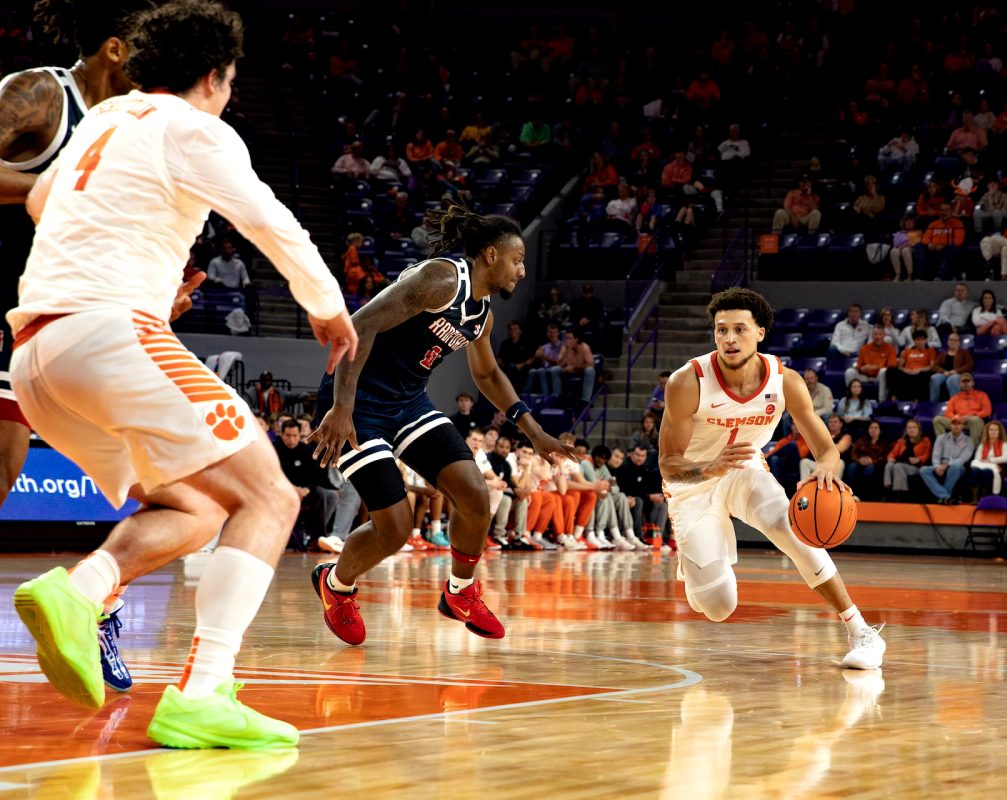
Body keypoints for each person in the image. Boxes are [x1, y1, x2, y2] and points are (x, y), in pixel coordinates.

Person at [8, 0, 357, 749]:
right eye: (229, 82)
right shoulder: (194, 125)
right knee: (271, 494)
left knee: (199, 509)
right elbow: (271, 220)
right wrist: (327, 308)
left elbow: (41, 199)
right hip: (107, 334)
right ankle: (202, 691)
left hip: (38, 358)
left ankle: (90, 588)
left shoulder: (100, 122)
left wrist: (123, 260)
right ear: (213, 77)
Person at [308, 204, 576, 648]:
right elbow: (359, 325)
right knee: (394, 528)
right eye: (517, 259)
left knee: (474, 492)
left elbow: (488, 375)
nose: (523, 271)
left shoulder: (482, 313)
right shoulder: (442, 280)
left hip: (408, 403)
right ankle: (336, 585)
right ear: (491, 255)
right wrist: (341, 407)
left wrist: (533, 430)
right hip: (358, 404)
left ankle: (460, 593)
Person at [0, 0, 158, 694]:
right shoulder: (39, 92)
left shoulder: (124, 131)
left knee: (152, 473)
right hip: (12, 306)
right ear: (117, 50)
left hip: (57, 316)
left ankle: (100, 605)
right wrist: (46, 191)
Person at [657, 287, 885, 668]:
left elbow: (827, 451)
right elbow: (667, 465)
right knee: (718, 607)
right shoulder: (687, 382)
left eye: (740, 329)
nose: (729, 338)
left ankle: (861, 631)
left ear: (760, 332)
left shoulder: (785, 381)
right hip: (693, 484)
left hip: (745, 469)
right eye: (721, 330)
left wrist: (823, 471)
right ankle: (696, 558)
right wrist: (710, 468)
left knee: (793, 527)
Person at [919, 418, 974, 503]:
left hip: (958, 467)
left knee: (956, 466)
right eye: (953, 424)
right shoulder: (941, 438)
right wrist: (937, 466)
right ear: (949, 426)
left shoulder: (969, 441)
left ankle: (944, 496)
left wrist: (947, 465)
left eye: (958, 424)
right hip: (941, 465)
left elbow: (963, 459)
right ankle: (945, 496)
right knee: (923, 470)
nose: (956, 426)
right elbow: (936, 455)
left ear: (963, 426)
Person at [934, 373, 991, 443]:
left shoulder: (981, 395)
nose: (965, 384)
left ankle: (972, 449)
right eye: (963, 382)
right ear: (960, 384)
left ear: (973, 383)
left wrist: (972, 416)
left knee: (976, 420)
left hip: (971, 421)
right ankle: (944, 445)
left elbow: (987, 411)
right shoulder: (955, 397)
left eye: (968, 381)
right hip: (957, 421)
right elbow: (948, 413)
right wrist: (956, 417)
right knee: (937, 420)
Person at [884, 419, 931, 497]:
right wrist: (890, 458)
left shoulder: (925, 440)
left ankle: (900, 494)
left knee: (898, 466)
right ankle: (888, 489)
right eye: (909, 428)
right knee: (889, 464)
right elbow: (892, 453)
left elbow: (927, 454)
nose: (911, 429)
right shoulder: (902, 441)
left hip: (916, 467)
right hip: (901, 464)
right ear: (906, 430)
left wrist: (919, 459)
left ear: (919, 429)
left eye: (914, 427)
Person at [969, 420, 1007, 499]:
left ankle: (985, 497)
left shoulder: (1004, 444)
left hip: (997, 468)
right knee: (975, 470)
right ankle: (975, 497)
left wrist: (990, 460)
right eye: (991, 430)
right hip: (982, 465)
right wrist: (985, 462)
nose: (993, 432)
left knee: (986, 472)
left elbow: (1006, 458)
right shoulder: (983, 444)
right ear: (987, 431)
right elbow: (977, 458)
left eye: (995, 430)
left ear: (999, 432)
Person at [929, 331, 973, 401]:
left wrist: (956, 371)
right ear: (948, 342)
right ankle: (933, 402)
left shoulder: (964, 353)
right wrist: (943, 371)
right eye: (951, 340)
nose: (953, 342)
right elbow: (934, 366)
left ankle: (956, 402)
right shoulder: (943, 354)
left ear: (959, 343)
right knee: (934, 378)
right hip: (944, 373)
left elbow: (969, 365)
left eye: (955, 340)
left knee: (952, 380)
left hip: (957, 374)